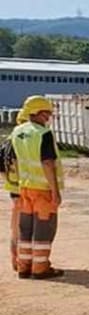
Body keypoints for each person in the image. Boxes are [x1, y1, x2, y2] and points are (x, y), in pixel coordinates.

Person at [11, 96, 63, 279]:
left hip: (25, 188)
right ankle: (40, 268)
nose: (48, 117)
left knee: (26, 230)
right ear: (39, 113)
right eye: (47, 113)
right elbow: (48, 163)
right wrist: (55, 191)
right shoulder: (43, 134)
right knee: (43, 230)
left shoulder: (16, 132)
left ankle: (24, 266)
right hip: (43, 189)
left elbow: (15, 161)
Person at [3, 104, 30, 276]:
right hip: (25, 189)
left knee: (16, 228)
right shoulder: (23, 140)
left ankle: (16, 260)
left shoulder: (9, 140)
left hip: (15, 188)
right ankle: (23, 262)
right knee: (25, 228)